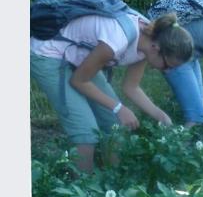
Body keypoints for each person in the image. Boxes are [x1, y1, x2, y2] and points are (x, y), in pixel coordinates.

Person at [31, 12, 194, 172]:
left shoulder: (151, 41)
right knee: (86, 131)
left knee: (115, 124)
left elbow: (131, 87)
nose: (166, 71)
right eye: (168, 66)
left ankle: (113, 179)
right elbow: (79, 81)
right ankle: (83, 190)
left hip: (78, 56)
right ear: (156, 48)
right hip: (47, 53)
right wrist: (119, 107)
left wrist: (161, 116)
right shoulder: (118, 40)